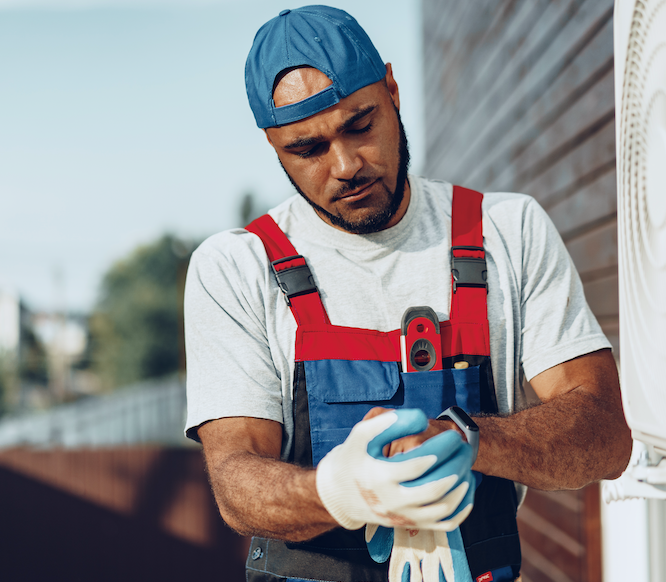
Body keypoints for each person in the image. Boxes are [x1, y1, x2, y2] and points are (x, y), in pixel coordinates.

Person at [184, 6, 632, 581]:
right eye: (308, 149)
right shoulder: (237, 267)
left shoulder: (506, 230)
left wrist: (467, 438)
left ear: (392, 91)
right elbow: (236, 484)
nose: (346, 165)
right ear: (273, 146)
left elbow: (604, 436)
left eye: (360, 124)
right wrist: (345, 491)